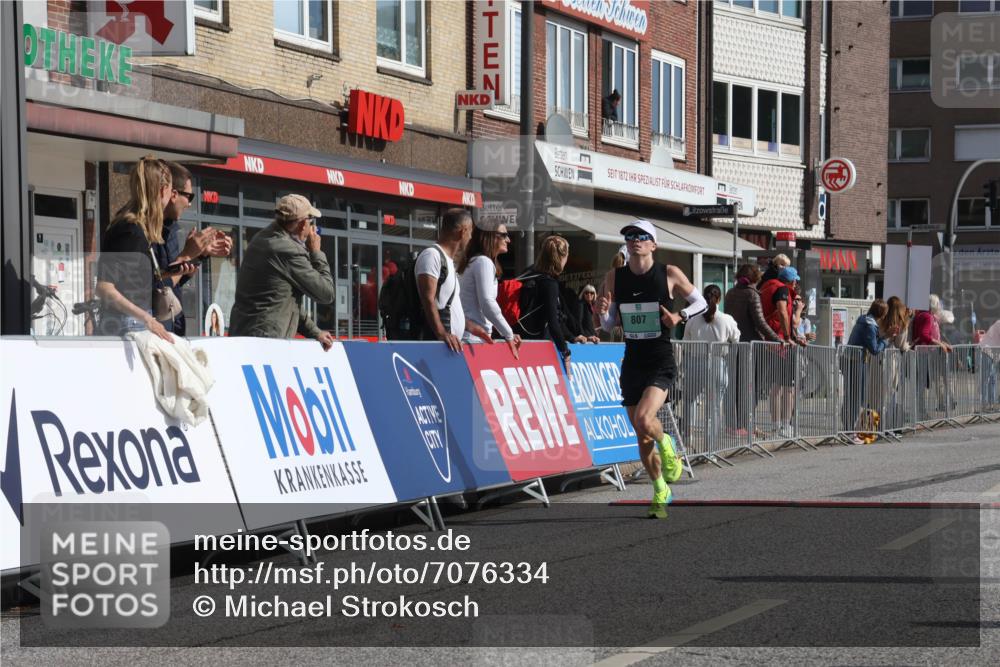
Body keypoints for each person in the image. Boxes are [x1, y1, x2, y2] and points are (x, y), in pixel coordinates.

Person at [595, 220, 708, 519]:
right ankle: (661, 488)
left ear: (653, 244)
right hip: (632, 359)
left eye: (641, 237)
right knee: (641, 434)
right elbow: (611, 325)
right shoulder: (614, 276)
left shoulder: (669, 273)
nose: (634, 241)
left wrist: (679, 315)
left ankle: (667, 441)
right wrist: (602, 313)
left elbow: (701, 302)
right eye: (630, 236)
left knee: (646, 419)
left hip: (660, 357)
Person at [97, 156, 196, 343]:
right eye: (171, 190)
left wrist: (170, 272)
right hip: (128, 328)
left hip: (132, 325)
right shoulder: (131, 230)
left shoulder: (135, 228)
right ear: (162, 190)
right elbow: (104, 288)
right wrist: (147, 319)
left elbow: (129, 282)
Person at [228, 194, 336, 350]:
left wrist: (315, 332)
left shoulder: (263, 238)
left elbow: (284, 301)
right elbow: (326, 293)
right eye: (311, 221)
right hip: (265, 342)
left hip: (249, 335)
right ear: (302, 224)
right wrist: (316, 253)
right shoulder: (287, 250)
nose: (312, 228)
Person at [152, 162, 233, 335]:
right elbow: (152, 288)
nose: (189, 204)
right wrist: (187, 254)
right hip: (153, 331)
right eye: (189, 196)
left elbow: (173, 283)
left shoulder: (170, 229)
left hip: (171, 328)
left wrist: (200, 254)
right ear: (172, 194)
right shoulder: (145, 230)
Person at [416, 208, 492, 352]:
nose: (470, 238)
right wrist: (442, 333)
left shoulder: (449, 262)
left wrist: (469, 326)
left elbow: (446, 303)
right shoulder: (431, 255)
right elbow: (427, 299)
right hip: (437, 347)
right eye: (470, 232)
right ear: (462, 231)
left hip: (450, 346)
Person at [723, 264, 783, 436]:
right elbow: (760, 322)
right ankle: (746, 424)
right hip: (751, 346)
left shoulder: (730, 293)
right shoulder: (752, 294)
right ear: (755, 278)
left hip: (733, 344)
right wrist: (777, 339)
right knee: (751, 387)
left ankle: (731, 424)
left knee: (733, 385)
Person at [681, 285, 740, 443]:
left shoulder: (692, 320)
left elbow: (685, 344)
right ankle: (710, 444)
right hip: (718, 363)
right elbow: (736, 339)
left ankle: (688, 437)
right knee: (714, 405)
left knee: (689, 401)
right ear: (719, 299)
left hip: (695, 362)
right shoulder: (727, 319)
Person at [458, 222, 521, 358]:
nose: (508, 240)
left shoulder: (477, 261)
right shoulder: (483, 262)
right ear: (490, 237)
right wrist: (508, 334)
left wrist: (506, 332)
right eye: (504, 235)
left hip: (473, 338)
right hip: (472, 340)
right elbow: (487, 303)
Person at [759, 266, 807, 437]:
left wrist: (795, 336)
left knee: (777, 387)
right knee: (787, 388)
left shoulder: (767, 287)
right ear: (792, 281)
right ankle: (784, 425)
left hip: (774, 342)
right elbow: (783, 314)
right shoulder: (782, 291)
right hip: (781, 345)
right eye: (795, 281)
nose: (795, 284)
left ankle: (777, 424)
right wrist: (788, 337)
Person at [843, 299, 897, 440]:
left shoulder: (864, 320)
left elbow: (871, 342)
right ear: (883, 314)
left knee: (852, 396)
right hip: (856, 362)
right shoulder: (870, 325)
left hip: (852, 360)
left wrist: (885, 336)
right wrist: (886, 341)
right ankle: (850, 431)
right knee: (856, 397)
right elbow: (874, 349)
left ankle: (848, 429)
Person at [520, 235, 575, 365]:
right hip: (539, 347)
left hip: (522, 341)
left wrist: (572, 337)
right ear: (561, 257)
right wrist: (565, 351)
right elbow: (553, 323)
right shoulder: (549, 283)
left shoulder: (529, 274)